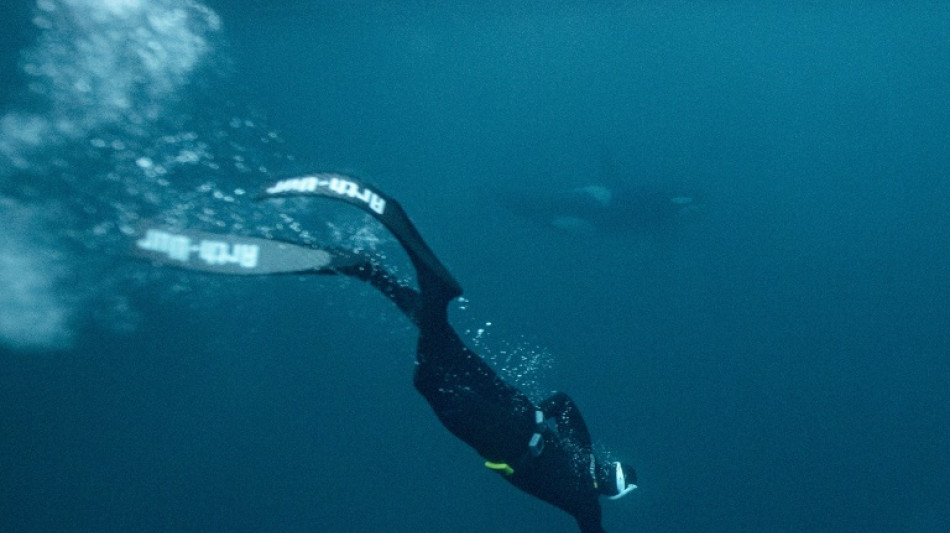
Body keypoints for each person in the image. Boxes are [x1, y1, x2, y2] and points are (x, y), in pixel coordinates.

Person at [136, 173, 637, 533]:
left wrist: (538, 414)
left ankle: (378, 275)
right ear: (605, 488)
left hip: (510, 411)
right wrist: (535, 423)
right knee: (429, 376)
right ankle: (427, 291)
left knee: (442, 350)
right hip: (498, 434)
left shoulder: (581, 452)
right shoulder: (584, 502)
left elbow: (563, 399)